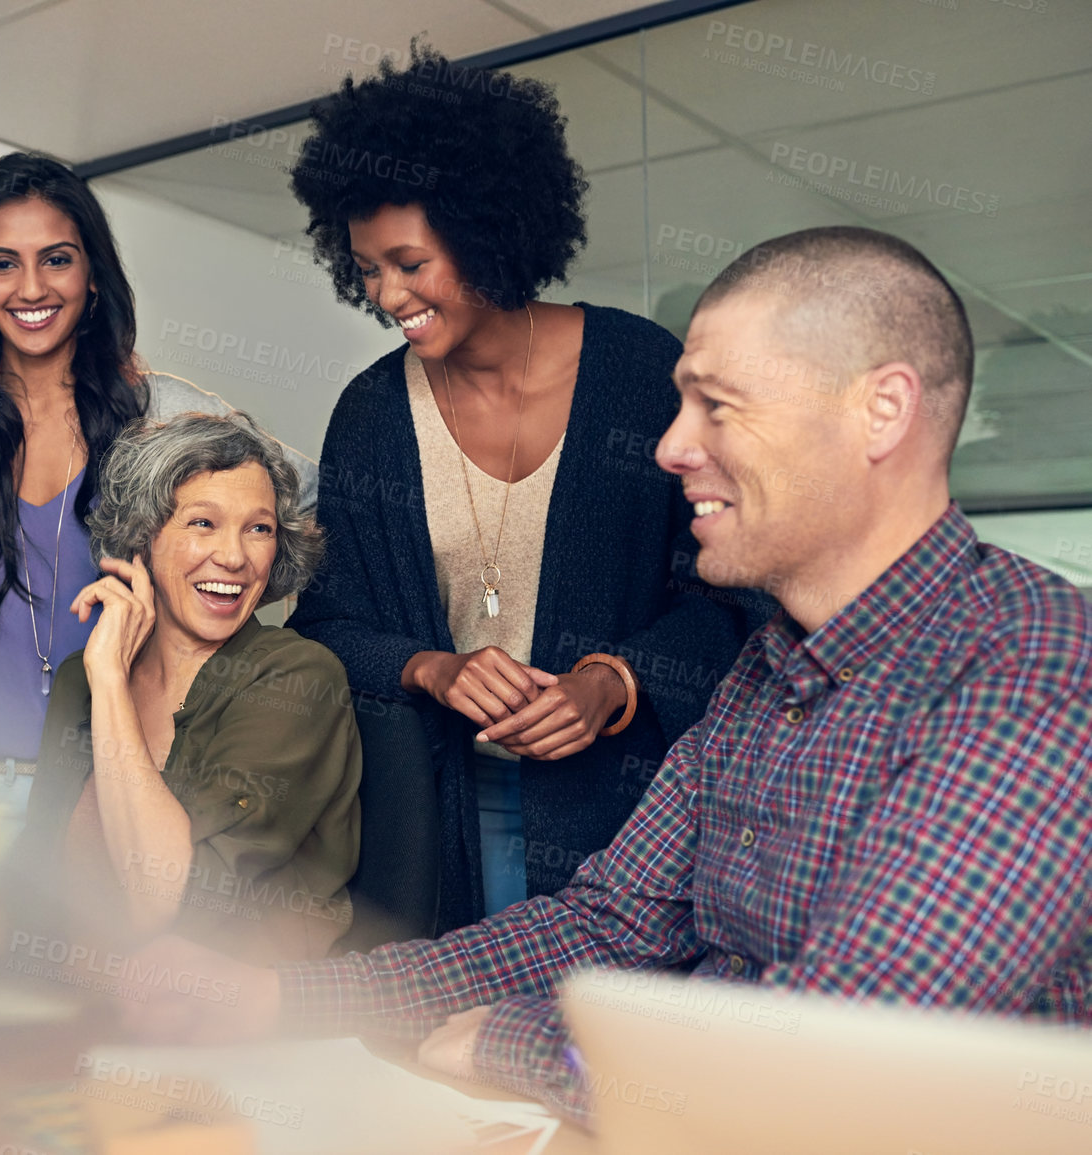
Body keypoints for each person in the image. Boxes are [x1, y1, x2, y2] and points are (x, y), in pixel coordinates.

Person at [122, 227, 1092, 1126]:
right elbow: (608, 925)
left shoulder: (1034, 671)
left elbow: (836, 1061)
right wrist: (278, 997)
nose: (673, 448)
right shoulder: (766, 675)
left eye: (719, 406)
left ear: (881, 412)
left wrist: (511, 1042)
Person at [284, 45, 768, 932]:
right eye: (365, 269)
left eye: (408, 262)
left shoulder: (640, 373)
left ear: (485, 232)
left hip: (632, 816)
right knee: (465, 1038)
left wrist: (612, 681)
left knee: (604, 1048)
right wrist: (431, 667)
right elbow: (324, 628)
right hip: (441, 825)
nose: (387, 294)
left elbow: (736, 595)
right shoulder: (371, 414)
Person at [0, 153, 317, 809]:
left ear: (92, 275)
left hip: (111, 801)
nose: (31, 287)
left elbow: (306, 502)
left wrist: (208, 603)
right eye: (3, 262)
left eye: (57, 258)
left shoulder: (165, 417)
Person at [11, 412, 359, 964]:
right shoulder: (85, 674)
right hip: (79, 994)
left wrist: (110, 685)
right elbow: (37, 883)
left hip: (232, 1016)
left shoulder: (297, 677)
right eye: (203, 523)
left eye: (259, 528)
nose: (234, 556)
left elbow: (169, 902)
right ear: (143, 538)